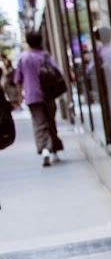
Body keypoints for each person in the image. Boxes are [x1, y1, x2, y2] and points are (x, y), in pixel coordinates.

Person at [14, 29, 64, 167]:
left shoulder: (23, 58)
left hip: (32, 95)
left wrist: (19, 96)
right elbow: (57, 72)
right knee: (51, 121)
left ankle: (45, 149)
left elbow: (18, 79)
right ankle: (53, 150)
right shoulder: (45, 55)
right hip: (48, 94)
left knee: (39, 124)